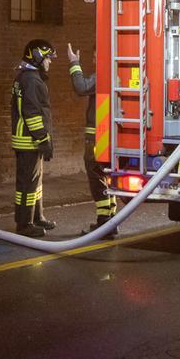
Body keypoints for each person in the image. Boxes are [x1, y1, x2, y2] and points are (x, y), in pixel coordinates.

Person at [68, 43, 117, 235]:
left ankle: (104, 221)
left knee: (96, 176)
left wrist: (74, 63)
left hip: (97, 136)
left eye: (97, 57)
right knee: (105, 177)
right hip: (107, 135)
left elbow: (81, 87)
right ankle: (110, 221)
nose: (95, 60)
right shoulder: (116, 74)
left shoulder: (103, 76)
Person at [11, 39, 58, 237]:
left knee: (35, 183)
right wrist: (42, 140)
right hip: (29, 140)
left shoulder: (28, 77)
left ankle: (37, 217)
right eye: (47, 58)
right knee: (26, 185)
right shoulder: (31, 80)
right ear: (38, 57)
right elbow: (31, 113)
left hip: (30, 140)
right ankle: (24, 224)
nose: (50, 62)